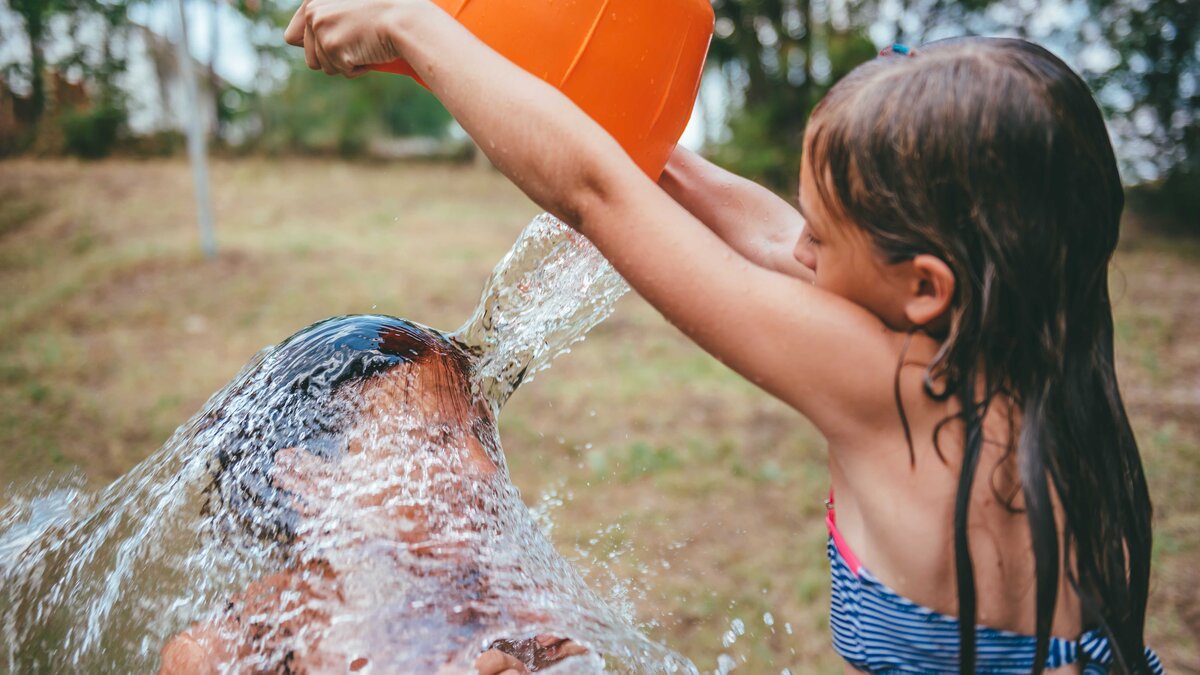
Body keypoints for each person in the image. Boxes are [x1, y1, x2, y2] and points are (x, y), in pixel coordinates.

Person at [283, 5, 1163, 673]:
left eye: (822, 231)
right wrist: (488, 60)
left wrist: (416, 21)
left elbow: (601, 192)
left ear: (926, 287)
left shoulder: (892, 393)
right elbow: (676, 185)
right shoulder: (1039, 364)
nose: (797, 245)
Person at [158, 316, 585, 674]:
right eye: (430, 442)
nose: (483, 467)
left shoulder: (511, 620)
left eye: (478, 432)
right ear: (306, 480)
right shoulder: (228, 654)